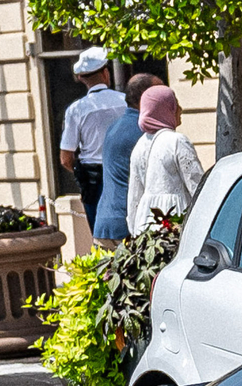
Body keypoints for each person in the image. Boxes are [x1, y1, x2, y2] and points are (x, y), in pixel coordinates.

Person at [57, 48, 127, 238]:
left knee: (99, 234)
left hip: (93, 177)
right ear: (106, 73)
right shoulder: (125, 102)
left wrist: (80, 172)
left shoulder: (76, 110)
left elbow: (66, 158)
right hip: (124, 170)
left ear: (81, 79)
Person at [124, 84, 203, 235]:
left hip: (145, 223)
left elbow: (134, 197)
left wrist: (135, 230)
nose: (180, 110)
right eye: (175, 105)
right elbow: (197, 186)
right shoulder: (177, 141)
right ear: (165, 109)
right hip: (175, 220)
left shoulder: (139, 146)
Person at [93, 73, 159, 246]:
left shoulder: (115, 126)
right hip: (129, 227)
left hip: (104, 223)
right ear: (146, 98)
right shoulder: (145, 132)